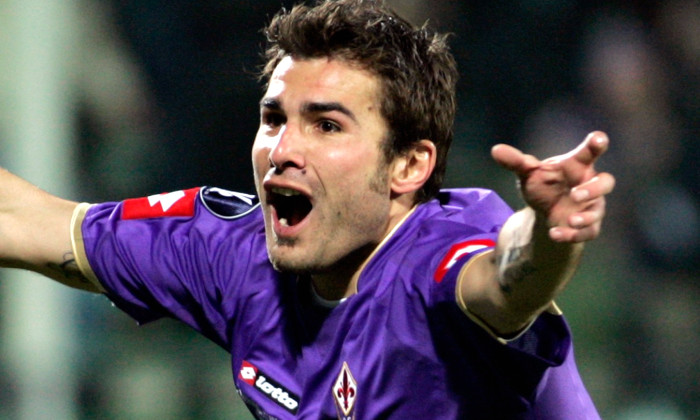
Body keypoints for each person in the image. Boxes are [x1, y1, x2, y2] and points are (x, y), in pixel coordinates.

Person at [0, 0, 615, 418]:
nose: (283, 150)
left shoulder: (442, 256)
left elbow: (509, 279)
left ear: (409, 166)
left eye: (326, 125)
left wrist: (550, 231)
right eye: (274, 119)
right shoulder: (230, 253)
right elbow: (30, 222)